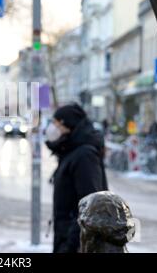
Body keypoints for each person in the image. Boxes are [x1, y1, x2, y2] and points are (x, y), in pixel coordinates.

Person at [45, 103, 108, 253]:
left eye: (56, 123)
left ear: (67, 124)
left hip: (76, 242)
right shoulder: (70, 150)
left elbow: (90, 205)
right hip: (67, 236)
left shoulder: (84, 156)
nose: (52, 128)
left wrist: (71, 244)